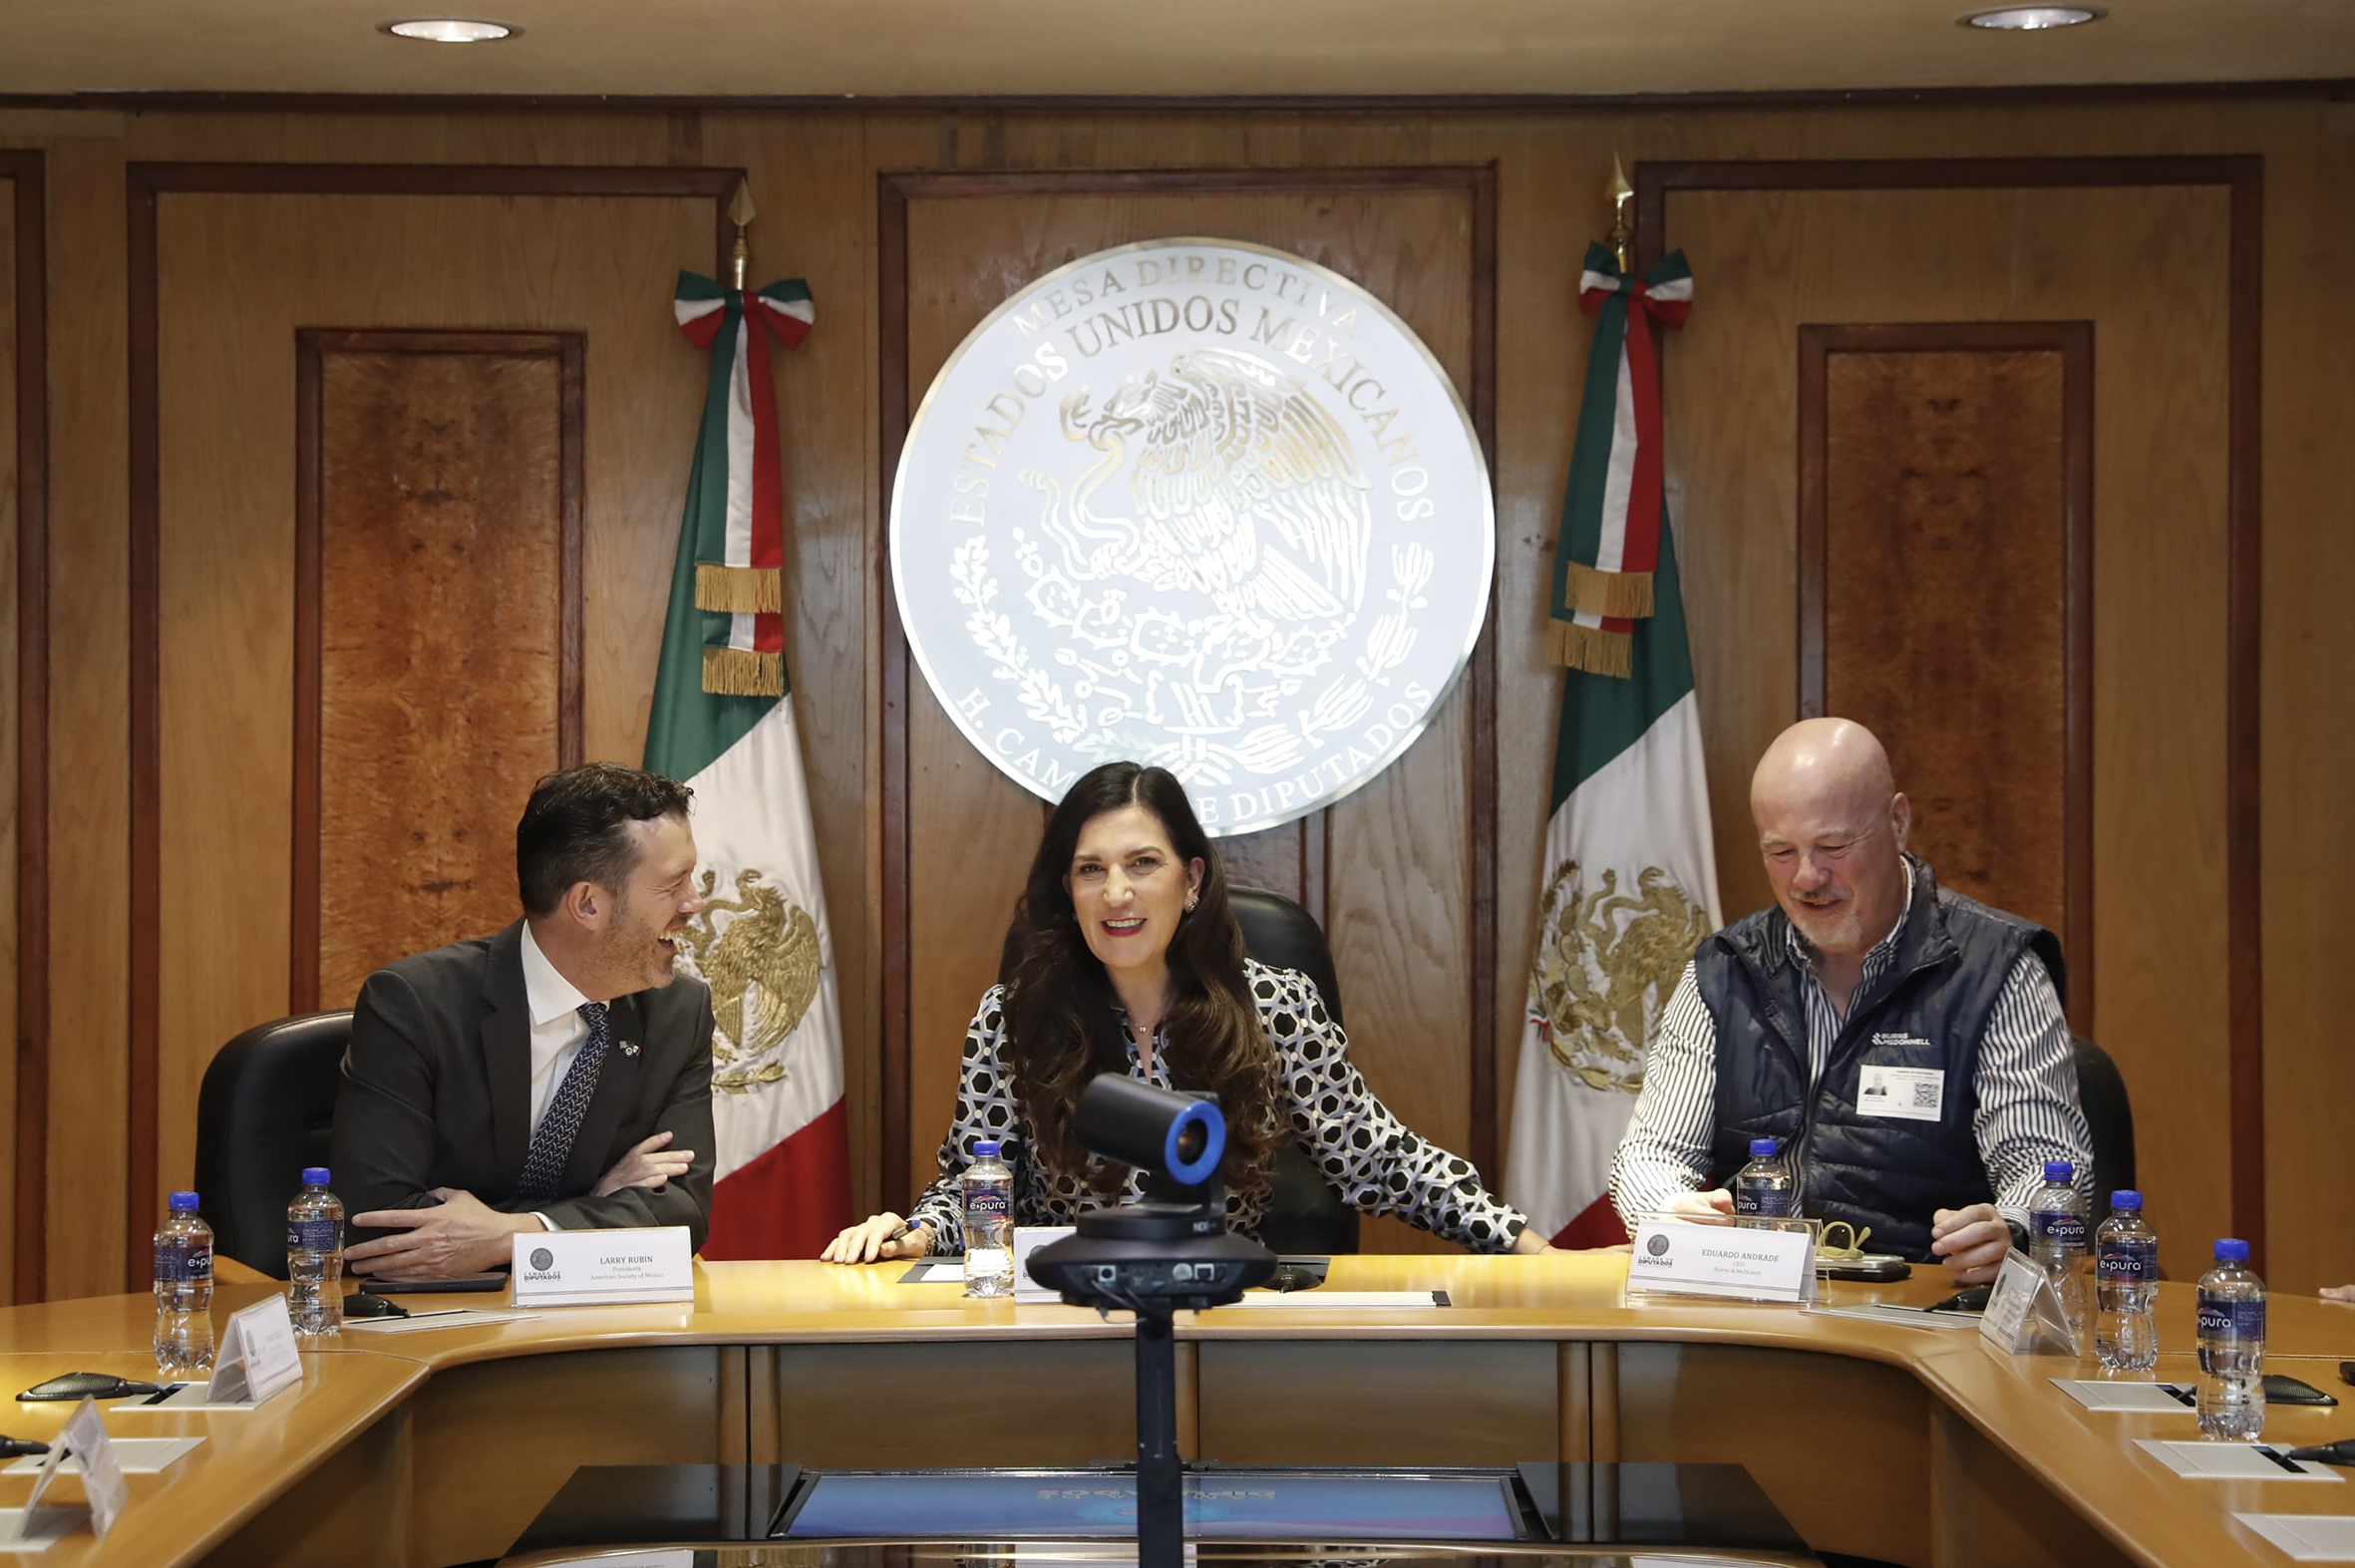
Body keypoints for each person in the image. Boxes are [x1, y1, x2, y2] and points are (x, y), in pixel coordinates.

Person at [823, 761, 1551, 1262]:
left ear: (1191, 878)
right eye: (1091, 870)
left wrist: (1528, 1244)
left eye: (1143, 863)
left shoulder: (1273, 1008)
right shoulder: (1014, 1018)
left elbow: (1379, 1158)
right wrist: (916, 1232)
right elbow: (977, 1183)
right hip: (1064, 1322)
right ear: (1068, 892)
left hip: (1221, 1323)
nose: (1117, 893)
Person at [1607, 718, 2093, 1284]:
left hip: (1924, 1300)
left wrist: (2008, 1229)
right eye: (1780, 851)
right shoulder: (1725, 968)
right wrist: (1668, 1209)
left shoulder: (1995, 967)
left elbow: (2046, 1167)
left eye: (1833, 846)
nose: (1807, 878)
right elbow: (1652, 1153)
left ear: (1898, 822)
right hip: (1752, 1297)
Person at [330, 763, 719, 1282]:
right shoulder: (414, 1005)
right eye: (673, 884)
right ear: (588, 905)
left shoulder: (679, 1012)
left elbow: (682, 1215)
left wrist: (517, 1233)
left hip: (598, 1315)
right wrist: (594, 1206)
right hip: (440, 1316)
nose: (695, 902)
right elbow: (377, 1224)